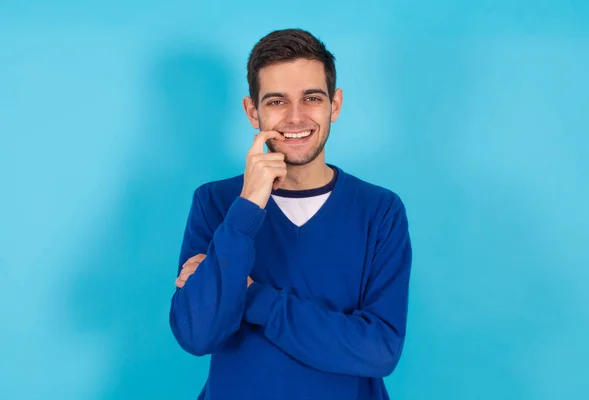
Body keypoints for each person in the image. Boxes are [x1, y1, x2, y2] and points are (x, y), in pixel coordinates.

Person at [169, 28, 413, 400]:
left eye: (311, 98)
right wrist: (247, 205)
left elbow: (379, 350)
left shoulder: (380, 211)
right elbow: (198, 335)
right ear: (253, 111)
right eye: (277, 102)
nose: (296, 118)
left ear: (335, 104)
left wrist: (248, 294)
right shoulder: (216, 203)